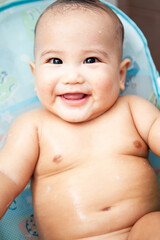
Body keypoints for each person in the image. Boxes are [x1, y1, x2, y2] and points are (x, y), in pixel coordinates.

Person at [0, 0, 160, 239]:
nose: (72, 76)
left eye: (91, 60)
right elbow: (7, 176)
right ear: (35, 76)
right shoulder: (32, 126)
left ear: (120, 74)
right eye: (55, 61)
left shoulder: (135, 111)